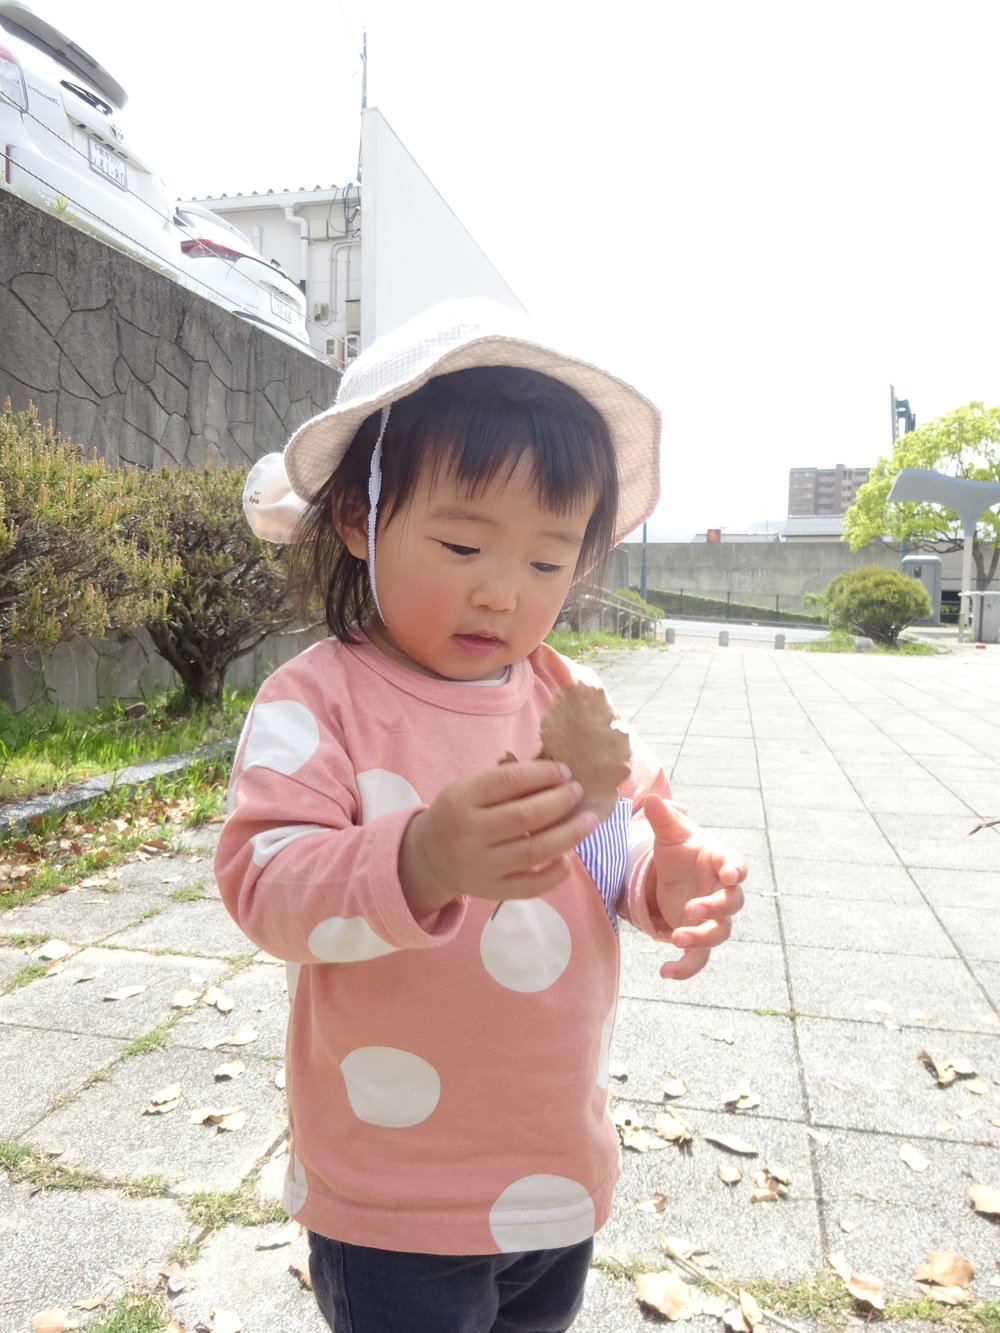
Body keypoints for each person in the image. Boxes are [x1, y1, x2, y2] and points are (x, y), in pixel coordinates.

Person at [215, 300, 746, 1333]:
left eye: (547, 561)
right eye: (463, 543)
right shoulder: (316, 702)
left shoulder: (563, 694)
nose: (503, 592)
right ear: (361, 520)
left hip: (551, 1161)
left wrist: (664, 878)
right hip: (391, 1185)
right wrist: (419, 856)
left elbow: (611, 835)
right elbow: (265, 887)